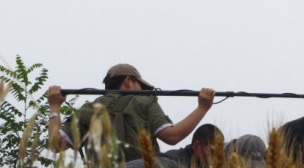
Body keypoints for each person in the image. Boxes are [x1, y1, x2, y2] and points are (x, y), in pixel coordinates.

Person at [46, 63, 216, 162]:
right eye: (140, 85)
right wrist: (203, 107)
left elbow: (56, 144)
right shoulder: (143, 102)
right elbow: (172, 136)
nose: (143, 91)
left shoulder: (89, 109)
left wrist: (54, 106)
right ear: (128, 81)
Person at [126, 124, 223, 168]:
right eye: (212, 151)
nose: (216, 157)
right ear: (197, 146)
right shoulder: (173, 161)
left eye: (219, 153)